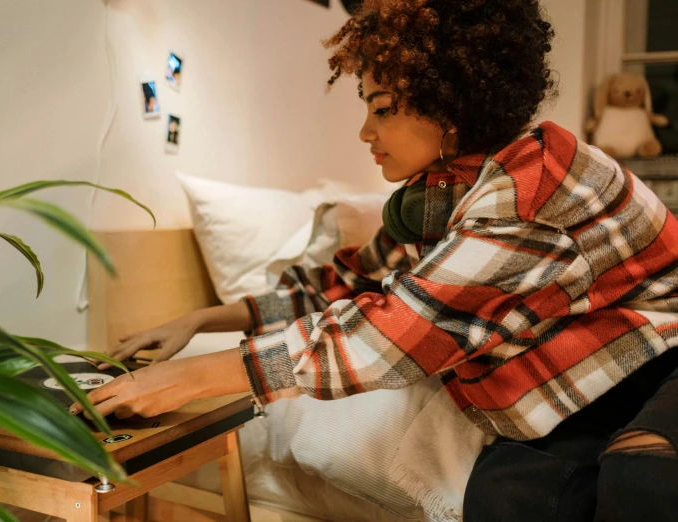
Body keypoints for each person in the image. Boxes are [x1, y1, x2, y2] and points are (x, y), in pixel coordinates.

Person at [73, 1, 678, 519]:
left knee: (639, 481)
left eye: (382, 107)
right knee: (502, 494)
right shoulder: (437, 192)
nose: (366, 131)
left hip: (661, 354)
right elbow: (342, 285)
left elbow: (388, 335)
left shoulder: (527, 192)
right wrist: (198, 321)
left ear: (451, 105)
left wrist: (192, 378)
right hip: (593, 361)